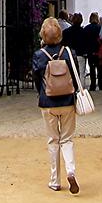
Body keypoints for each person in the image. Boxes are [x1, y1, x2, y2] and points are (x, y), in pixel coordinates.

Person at [32, 17, 80, 194]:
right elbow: (76, 76)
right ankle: (71, 170)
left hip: (48, 103)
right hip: (67, 101)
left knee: (53, 140)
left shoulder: (39, 55)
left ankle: (54, 180)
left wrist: (42, 93)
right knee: (67, 139)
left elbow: (37, 80)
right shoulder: (69, 52)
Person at [62, 13, 88, 89]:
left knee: (69, 73)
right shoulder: (84, 32)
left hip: (69, 55)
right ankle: (81, 91)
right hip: (80, 54)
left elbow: (63, 43)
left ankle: (70, 89)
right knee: (81, 74)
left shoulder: (66, 32)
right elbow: (86, 44)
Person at [84, 12, 102, 92]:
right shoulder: (100, 28)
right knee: (100, 69)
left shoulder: (86, 28)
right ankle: (101, 85)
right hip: (98, 51)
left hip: (90, 51)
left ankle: (92, 85)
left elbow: (84, 41)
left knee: (92, 69)